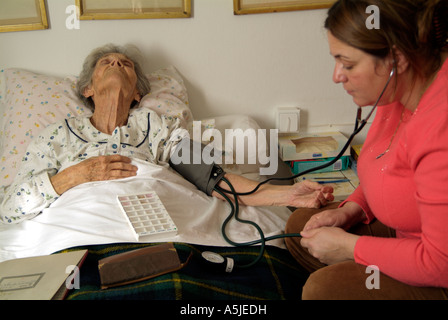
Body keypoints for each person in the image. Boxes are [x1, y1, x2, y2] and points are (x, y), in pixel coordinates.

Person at [0, 43, 334, 224]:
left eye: (126, 64)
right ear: (87, 88)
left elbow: (211, 176)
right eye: (106, 62)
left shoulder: (155, 126)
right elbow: (11, 207)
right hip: (79, 227)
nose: (117, 63)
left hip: (156, 222)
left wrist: (287, 194)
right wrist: (76, 175)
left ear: (136, 94)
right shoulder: (56, 135)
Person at [285, 0, 448, 299]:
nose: (337, 76)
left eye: (347, 64)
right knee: (300, 228)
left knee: (324, 289)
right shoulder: (399, 88)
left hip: (440, 270)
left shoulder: (440, 128)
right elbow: (384, 168)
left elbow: (441, 263)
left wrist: (349, 247)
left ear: (396, 59)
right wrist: (351, 210)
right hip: (413, 236)